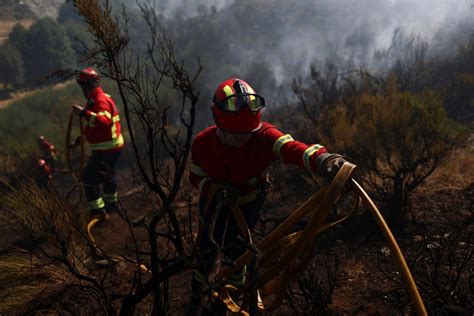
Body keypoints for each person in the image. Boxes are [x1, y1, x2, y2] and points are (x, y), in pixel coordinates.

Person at [188, 78, 346, 313]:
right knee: (205, 249)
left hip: (249, 202)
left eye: (246, 133)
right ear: (218, 120)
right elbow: (196, 176)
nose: (243, 139)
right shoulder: (203, 144)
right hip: (214, 202)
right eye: (235, 134)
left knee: (238, 249)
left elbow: (292, 148)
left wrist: (323, 160)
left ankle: (233, 293)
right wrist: (214, 189)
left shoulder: (263, 136)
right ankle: (198, 296)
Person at [71, 67, 124, 221]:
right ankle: (111, 206)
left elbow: (104, 122)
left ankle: (98, 211)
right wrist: (79, 141)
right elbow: (93, 126)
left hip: (107, 148)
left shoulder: (100, 100)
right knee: (107, 176)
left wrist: (83, 113)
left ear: (85, 85)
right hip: (108, 147)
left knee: (89, 178)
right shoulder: (94, 100)